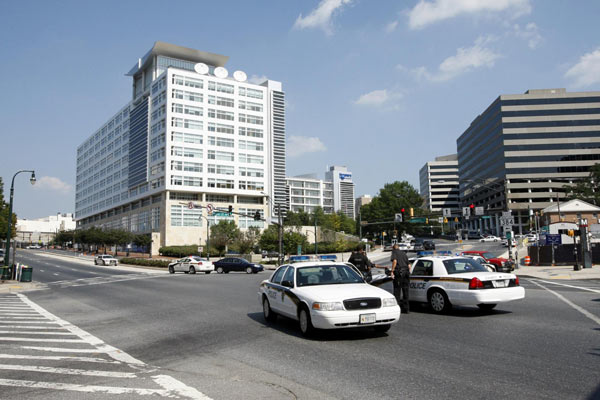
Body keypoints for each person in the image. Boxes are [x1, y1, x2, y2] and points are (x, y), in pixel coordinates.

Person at [390, 243, 410, 313]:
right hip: (406, 273)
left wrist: (392, 270)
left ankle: (397, 308)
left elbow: (395, 261)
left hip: (399, 273)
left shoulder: (394, 252)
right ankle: (406, 308)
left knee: (397, 291)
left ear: (393, 248)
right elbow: (409, 265)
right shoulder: (404, 253)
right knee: (405, 291)